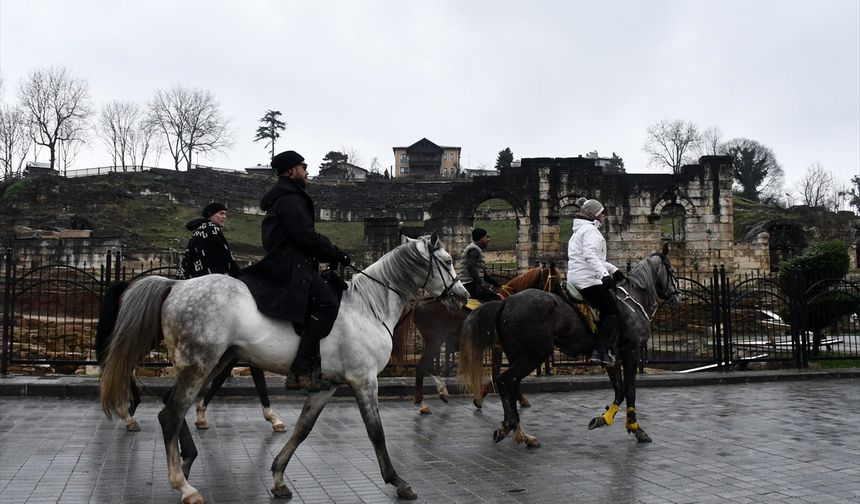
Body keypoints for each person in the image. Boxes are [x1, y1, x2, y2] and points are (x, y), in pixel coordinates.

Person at [241, 150, 350, 392]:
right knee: (328, 303)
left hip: (288, 260)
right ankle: (301, 368)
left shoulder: (284, 196)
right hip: (292, 263)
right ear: (291, 171)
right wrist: (334, 253)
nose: (307, 171)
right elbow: (305, 236)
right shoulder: (290, 198)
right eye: (303, 167)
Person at [566, 198, 625, 366]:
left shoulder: (578, 231)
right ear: (595, 215)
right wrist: (605, 276)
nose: (604, 215)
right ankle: (600, 350)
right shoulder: (590, 231)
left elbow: (593, 258)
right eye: (602, 212)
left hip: (576, 277)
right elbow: (590, 256)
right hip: (588, 281)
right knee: (612, 311)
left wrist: (614, 270)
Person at [181, 202, 241, 279]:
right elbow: (225, 254)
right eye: (221, 213)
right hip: (213, 277)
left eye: (225, 214)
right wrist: (237, 272)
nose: (224, 217)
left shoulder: (198, 230)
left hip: (196, 276)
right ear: (210, 214)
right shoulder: (213, 229)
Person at [458, 227, 502, 303]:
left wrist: (495, 283)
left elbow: (483, 274)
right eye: (486, 237)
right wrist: (479, 285)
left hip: (472, 283)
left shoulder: (476, 249)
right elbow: (471, 267)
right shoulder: (474, 250)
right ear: (480, 239)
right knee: (497, 300)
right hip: (470, 284)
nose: (488, 239)